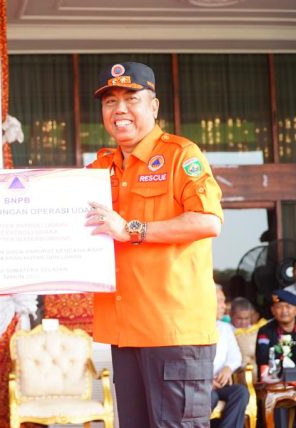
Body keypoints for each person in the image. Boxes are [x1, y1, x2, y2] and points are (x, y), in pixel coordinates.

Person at [84, 62, 223, 427]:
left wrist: (132, 229)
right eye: (110, 101)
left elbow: (208, 220)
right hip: (126, 334)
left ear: (154, 106)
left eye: (131, 99)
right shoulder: (102, 167)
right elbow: (45, 196)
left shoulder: (181, 155)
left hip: (174, 333)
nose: (120, 109)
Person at [256, 289, 296, 427]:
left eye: (288, 307)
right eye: (279, 307)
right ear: (272, 310)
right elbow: (262, 359)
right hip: (275, 380)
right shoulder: (266, 331)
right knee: (276, 397)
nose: (284, 311)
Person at [212, 284, 249, 428]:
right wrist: (206, 381)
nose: (224, 306)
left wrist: (228, 368)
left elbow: (236, 356)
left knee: (241, 392)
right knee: (211, 396)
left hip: (220, 383)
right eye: (219, 301)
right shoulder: (193, 329)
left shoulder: (225, 328)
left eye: (224, 301)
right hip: (200, 386)